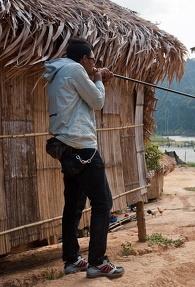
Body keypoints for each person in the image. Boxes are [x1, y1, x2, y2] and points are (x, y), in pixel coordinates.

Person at [44, 37, 124, 279]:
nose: (94, 63)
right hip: (82, 148)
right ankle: (97, 262)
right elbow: (98, 102)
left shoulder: (58, 72)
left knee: (74, 206)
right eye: (93, 59)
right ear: (83, 59)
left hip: (66, 148)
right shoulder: (76, 69)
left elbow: (83, 97)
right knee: (102, 204)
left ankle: (71, 260)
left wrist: (97, 79)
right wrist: (99, 79)